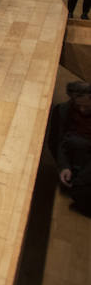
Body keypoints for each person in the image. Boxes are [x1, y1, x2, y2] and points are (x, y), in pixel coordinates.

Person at [52, 82, 91, 216]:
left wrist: (82, 178)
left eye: (86, 106)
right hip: (73, 156)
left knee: (80, 193)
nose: (82, 110)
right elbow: (58, 141)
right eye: (78, 105)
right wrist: (64, 166)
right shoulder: (63, 111)